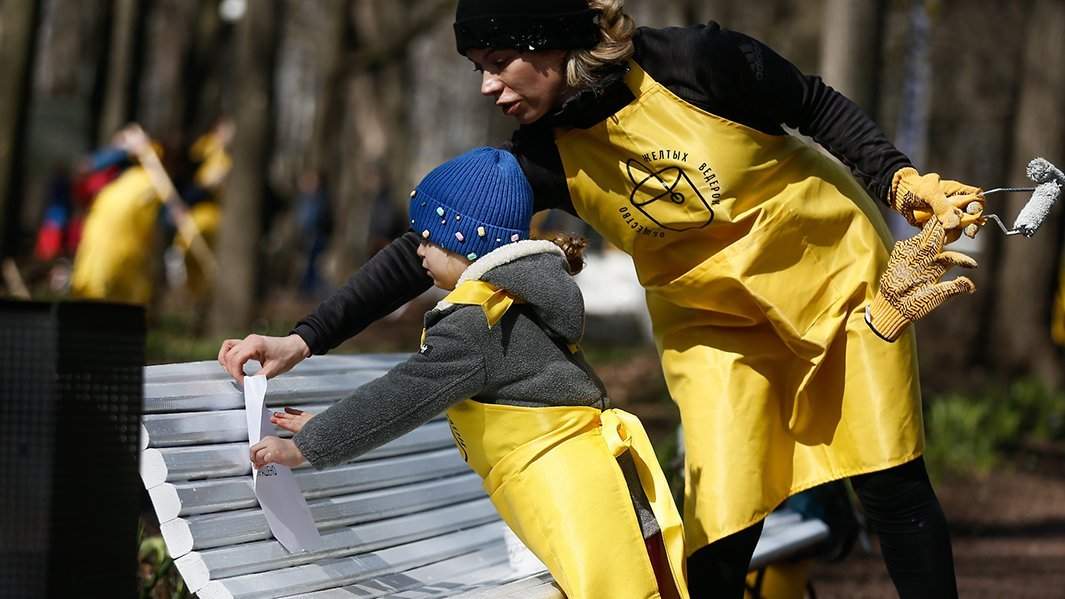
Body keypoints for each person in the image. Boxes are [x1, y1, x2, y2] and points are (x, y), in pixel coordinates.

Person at [220, 3, 985, 597]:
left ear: (553, 43)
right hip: (712, 323)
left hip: (830, 282)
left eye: (497, 62)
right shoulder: (543, 151)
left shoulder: (698, 61)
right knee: (722, 504)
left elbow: (816, 106)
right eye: (476, 68)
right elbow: (426, 244)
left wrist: (899, 180)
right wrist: (303, 340)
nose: (486, 86)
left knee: (885, 470)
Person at [246, 147, 687, 599]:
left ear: (464, 242)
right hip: (601, 482)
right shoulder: (514, 300)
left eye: (428, 238)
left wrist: (308, 446)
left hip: (574, 495)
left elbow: (404, 395)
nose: (417, 249)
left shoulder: (479, 320)